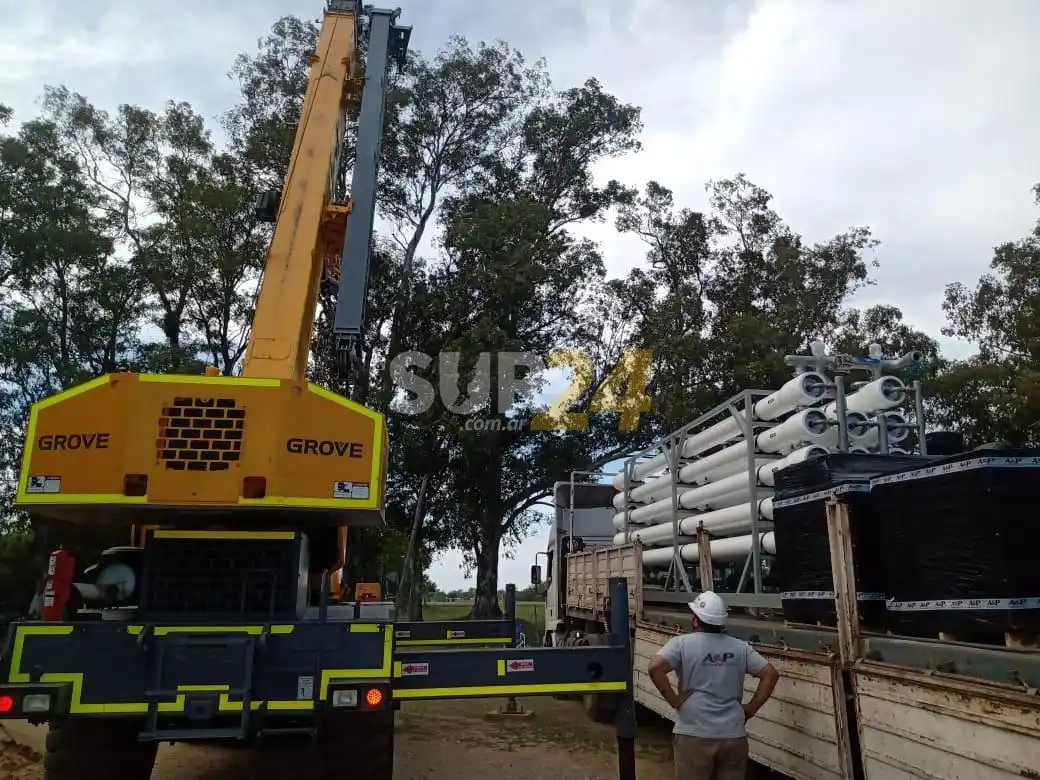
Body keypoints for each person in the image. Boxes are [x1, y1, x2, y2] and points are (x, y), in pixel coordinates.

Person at [648, 591, 780, 780]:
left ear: (695, 621)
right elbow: (770, 674)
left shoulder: (681, 644)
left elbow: (655, 668)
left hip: (694, 735)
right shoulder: (740, 647)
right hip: (733, 736)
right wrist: (750, 709)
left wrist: (674, 700)